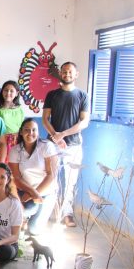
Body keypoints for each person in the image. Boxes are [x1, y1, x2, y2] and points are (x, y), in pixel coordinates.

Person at [42, 62, 90, 228]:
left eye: (70, 72)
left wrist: (63, 134)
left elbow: (84, 122)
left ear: (76, 74)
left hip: (73, 145)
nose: (66, 74)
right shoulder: (52, 94)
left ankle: (67, 213)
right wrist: (56, 136)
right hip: (53, 144)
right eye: (64, 71)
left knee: (70, 181)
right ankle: (50, 210)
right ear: (60, 73)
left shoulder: (82, 96)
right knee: (51, 178)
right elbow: (45, 119)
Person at [9, 118, 59, 235]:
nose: (30, 133)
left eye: (34, 130)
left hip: (46, 192)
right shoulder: (15, 150)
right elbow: (17, 178)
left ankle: (33, 220)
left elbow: (51, 175)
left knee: (34, 229)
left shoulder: (47, 146)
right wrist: (32, 192)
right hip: (26, 190)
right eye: (27, 130)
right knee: (26, 210)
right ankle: (26, 218)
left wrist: (35, 193)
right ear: (21, 132)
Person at [0, 80, 26, 159]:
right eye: (6, 90)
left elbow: (22, 127)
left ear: (17, 93)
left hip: (17, 141)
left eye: (11, 91)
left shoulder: (19, 109)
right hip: (2, 141)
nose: (8, 93)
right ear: (2, 92)